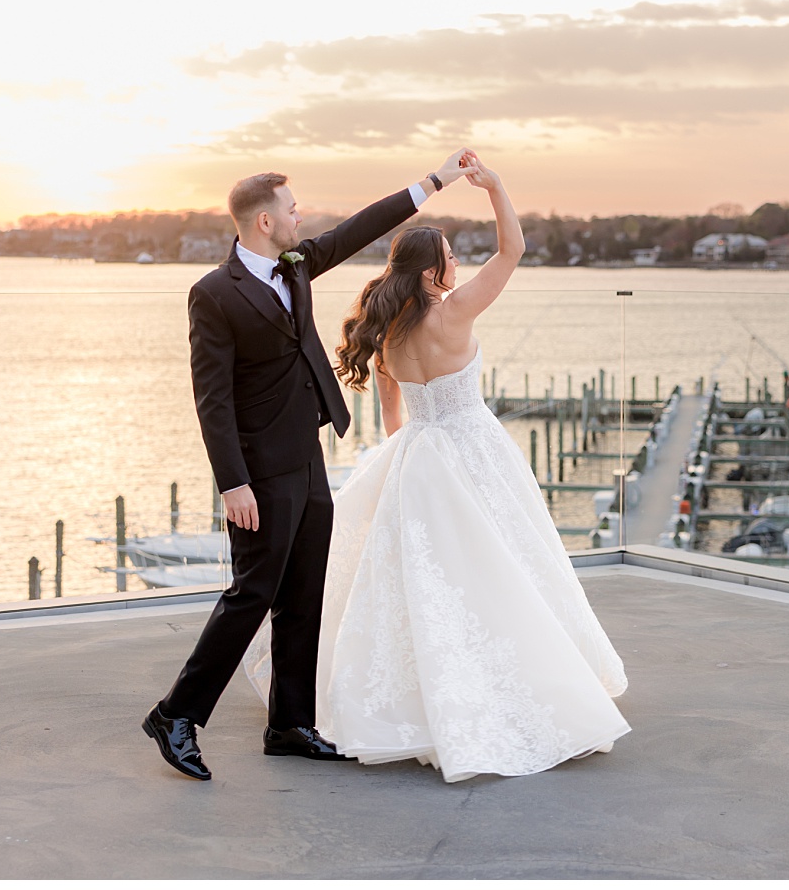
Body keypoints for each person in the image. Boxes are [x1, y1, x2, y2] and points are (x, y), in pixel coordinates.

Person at [243, 153, 629, 782]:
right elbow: (513, 251)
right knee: (497, 568)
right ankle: (505, 689)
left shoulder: (387, 333)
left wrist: (407, 461)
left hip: (417, 454)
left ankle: (401, 699)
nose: (458, 263)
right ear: (432, 272)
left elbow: (394, 415)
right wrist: (495, 187)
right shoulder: (454, 312)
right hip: (473, 447)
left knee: (416, 583)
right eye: (450, 255)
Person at [144, 149, 479, 781]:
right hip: (259, 469)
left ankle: (290, 723)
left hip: (305, 452)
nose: (301, 218)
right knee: (252, 594)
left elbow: (359, 229)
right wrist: (233, 481)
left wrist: (434, 181)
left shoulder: (296, 266)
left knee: (304, 593)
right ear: (264, 221)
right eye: (292, 210)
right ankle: (178, 714)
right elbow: (211, 398)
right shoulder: (213, 294)